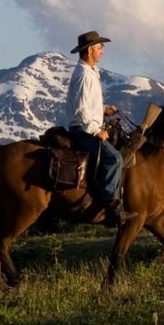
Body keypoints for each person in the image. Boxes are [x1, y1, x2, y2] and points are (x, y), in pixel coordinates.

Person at [64, 30, 132, 224]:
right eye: (100, 47)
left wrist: (103, 109)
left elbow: (88, 105)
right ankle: (109, 205)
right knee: (115, 159)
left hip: (86, 126)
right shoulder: (85, 75)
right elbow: (82, 110)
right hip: (83, 130)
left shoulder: (90, 72)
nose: (103, 51)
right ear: (91, 49)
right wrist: (96, 131)